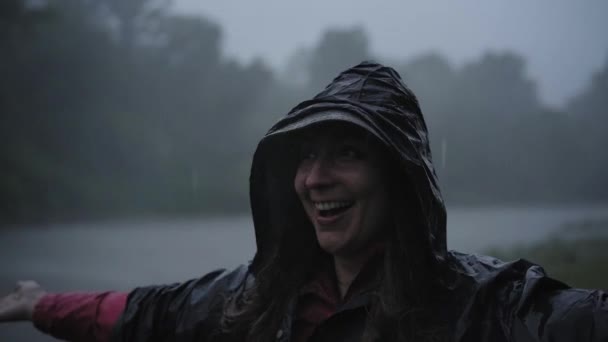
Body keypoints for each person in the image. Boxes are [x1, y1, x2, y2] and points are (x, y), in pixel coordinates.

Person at [0, 61, 606, 341]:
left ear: (399, 177)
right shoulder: (258, 297)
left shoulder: (486, 306)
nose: (315, 178)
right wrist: (40, 304)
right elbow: (144, 312)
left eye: (346, 153)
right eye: (305, 156)